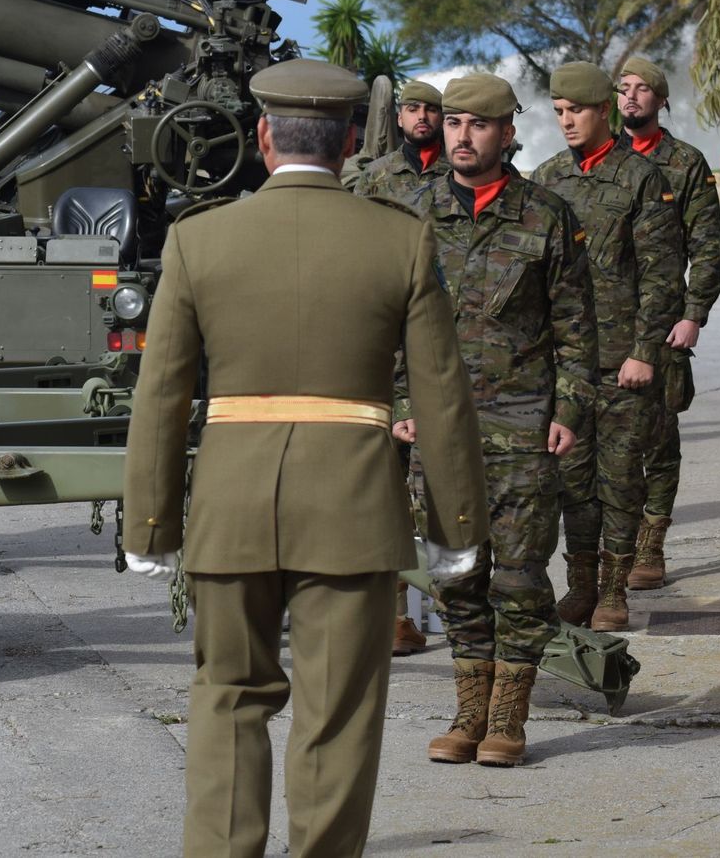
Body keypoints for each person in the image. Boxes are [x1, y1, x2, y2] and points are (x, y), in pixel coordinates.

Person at [122, 58, 488, 858]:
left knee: (227, 699)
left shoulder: (197, 240)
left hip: (231, 505)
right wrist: (456, 523)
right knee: (337, 714)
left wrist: (150, 526)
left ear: (261, 136)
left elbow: (162, 399)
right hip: (352, 510)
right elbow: (440, 397)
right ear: (352, 140)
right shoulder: (401, 239)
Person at [395, 73, 597, 767]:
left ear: (508, 133)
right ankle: (466, 714)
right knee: (454, 575)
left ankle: (507, 723)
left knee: (518, 579)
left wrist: (570, 409)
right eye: (453, 123)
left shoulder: (547, 216)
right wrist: (398, 405)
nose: (461, 135)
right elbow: (389, 324)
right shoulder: (412, 213)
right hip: (441, 431)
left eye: (478, 125)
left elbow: (576, 330)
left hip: (522, 429)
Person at [531, 61, 684, 631]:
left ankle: (614, 593)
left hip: (625, 361)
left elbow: (662, 275)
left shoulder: (641, 178)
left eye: (576, 111)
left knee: (620, 478)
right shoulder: (546, 179)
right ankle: (581, 586)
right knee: (573, 481)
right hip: (567, 364)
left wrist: (646, 350)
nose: (567, 122)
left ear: (604, 111)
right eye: (560, 113)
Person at [614, 57, 720, 588]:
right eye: (624, 89)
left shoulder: (686, 163)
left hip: (663, 323)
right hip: (602, 321)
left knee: (657, 439)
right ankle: (613, 547)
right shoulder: (600, 157)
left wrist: (693, 314)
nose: (631, 97)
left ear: (661, 100)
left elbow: (707, 247)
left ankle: (650, 547)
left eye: (643, 90)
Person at [352, 76, 449, 655]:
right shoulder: (377, 176)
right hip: (387, 347)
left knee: (439, 486)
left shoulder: (460, 177)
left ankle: (448, 603)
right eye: (411, 109)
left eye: (429, 110)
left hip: (442, 344)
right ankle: (395, 616)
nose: (419, 118)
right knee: (384, 489)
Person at [355, 78, 449, 199]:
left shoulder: (460, 172)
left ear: (442, 119)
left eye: (431, 110)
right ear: (400, 119)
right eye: (413, 109)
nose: (422, 116)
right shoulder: (374, 173)